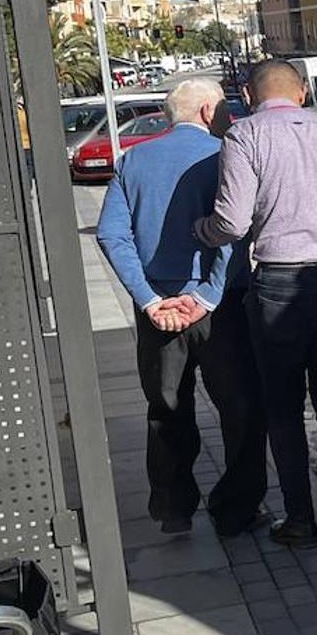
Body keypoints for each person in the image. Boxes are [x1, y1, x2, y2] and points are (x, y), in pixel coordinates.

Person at [196, 59, 317, 552]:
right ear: (302, 93)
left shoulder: (245, 137)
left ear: (249, 97)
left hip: (279, 284)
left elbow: (232, 224)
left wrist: (202, 231)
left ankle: (300, 519)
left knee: (283, 409)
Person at [95, 78, 266, 537]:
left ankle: (173, 508)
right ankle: (236, 510)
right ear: (209, 112)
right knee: (241, 407)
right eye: (225, 109)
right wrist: (208, 294)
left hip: (160, 312)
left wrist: (150, 299)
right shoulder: (224, 157)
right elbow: (235, 230)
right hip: (220, 308)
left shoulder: (134, 161)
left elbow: (111, 234)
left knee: (166, 407)